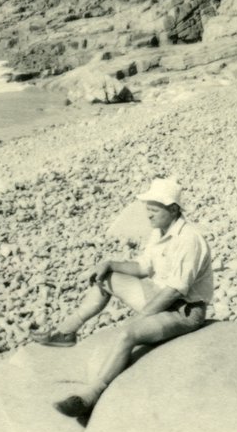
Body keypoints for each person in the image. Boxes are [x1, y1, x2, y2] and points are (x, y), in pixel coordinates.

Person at [30, 178, 213, 418]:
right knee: (105, 278)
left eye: (154, 209)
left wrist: (141, 316)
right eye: (147, 208)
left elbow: (176, 290)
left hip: (185, 311)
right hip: (159, 294)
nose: (148, 214)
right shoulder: (159, 232)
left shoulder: (189, 239)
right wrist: (109, 263)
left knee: (128, 334)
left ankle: (90, 395)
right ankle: (67, 331)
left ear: (174, 209)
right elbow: (142, 268)